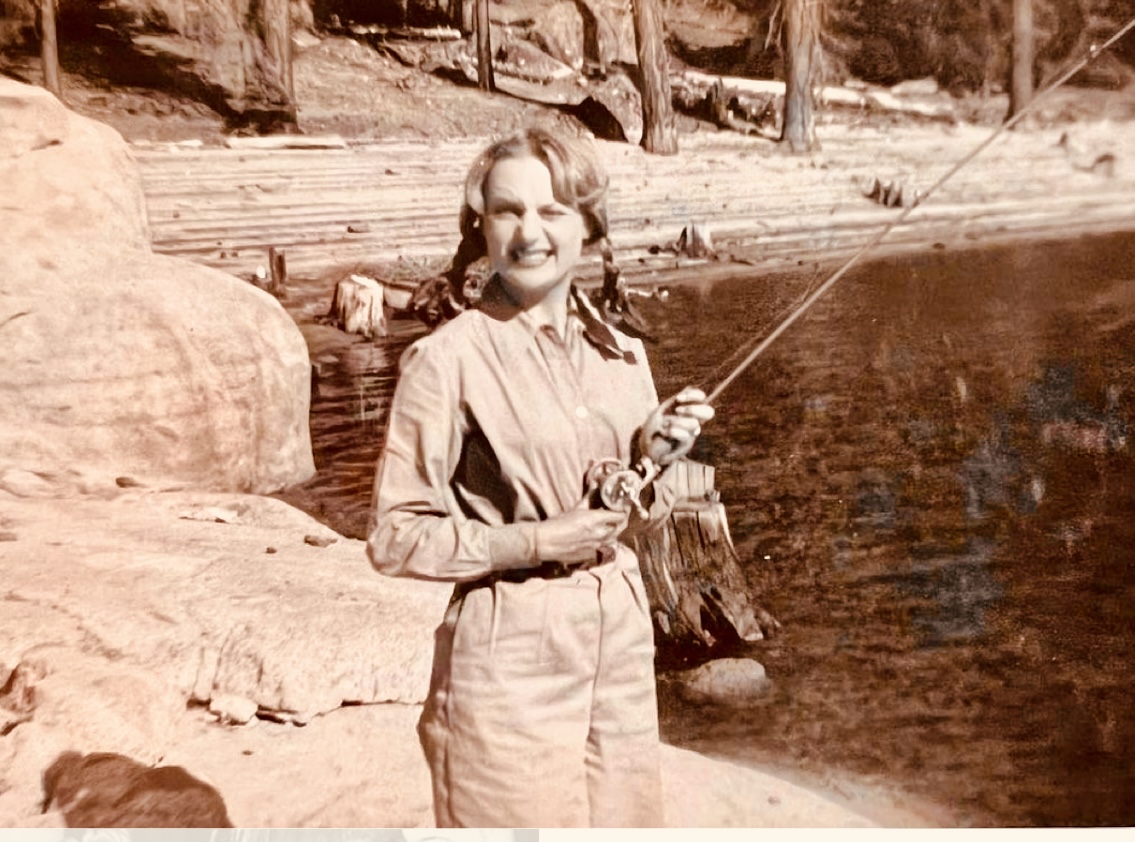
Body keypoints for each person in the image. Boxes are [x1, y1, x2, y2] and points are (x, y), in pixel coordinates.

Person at [366, 127, 714, 828]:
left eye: (552, 211)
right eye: (507, 211)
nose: (529, 233)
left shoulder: (622, 354)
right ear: (481, 226)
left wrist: (654, 457)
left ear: (587, 225)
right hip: (508, 648)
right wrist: (537, 541)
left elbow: (635, 520)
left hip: (618, 628)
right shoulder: (446, 359)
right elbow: (394, 536)